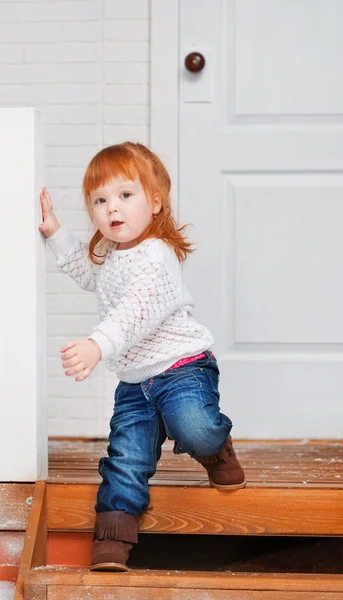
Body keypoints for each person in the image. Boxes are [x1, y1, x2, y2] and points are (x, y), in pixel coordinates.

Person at [39, 141, 246, 572]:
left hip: (182, 368)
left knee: (195, 427)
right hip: (136, 383)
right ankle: (112, 542)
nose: (112, 208)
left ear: (154, 202)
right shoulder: (112, 255)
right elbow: (83, 269)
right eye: (100, 200)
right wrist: (55, 231)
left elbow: (136, 312)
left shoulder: (157, 255)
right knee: (125, 458)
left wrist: (97, 344)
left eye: (125, 195)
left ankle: (216, 448)